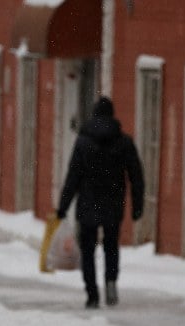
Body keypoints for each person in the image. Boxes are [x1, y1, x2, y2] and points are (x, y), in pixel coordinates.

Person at [56, 96, 145, 308]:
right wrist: (137, 206)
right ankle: (111, 282)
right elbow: (136, 175)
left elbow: (73, 177)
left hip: (88, 202)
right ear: (112, 115)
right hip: (113, 202)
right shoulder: (124, 142)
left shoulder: (83, 142)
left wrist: (63, 207)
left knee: (88, 249)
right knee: (111, 245)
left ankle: (92, 292)